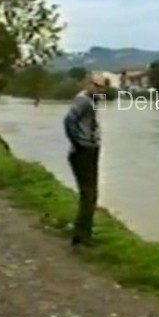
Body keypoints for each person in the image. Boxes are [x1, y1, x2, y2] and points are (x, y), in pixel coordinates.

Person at [63, 73, 107, 247]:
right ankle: (81, 236)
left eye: (102, 87)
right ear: (88, 84)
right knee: (88, 194)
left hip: (90, 149)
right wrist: (78, 142)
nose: (99, 89)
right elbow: (69, 121)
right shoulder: (83, 100)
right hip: (84, 151)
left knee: (90, 194)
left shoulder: (92, 101)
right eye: (96, 85)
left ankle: (83, 232)